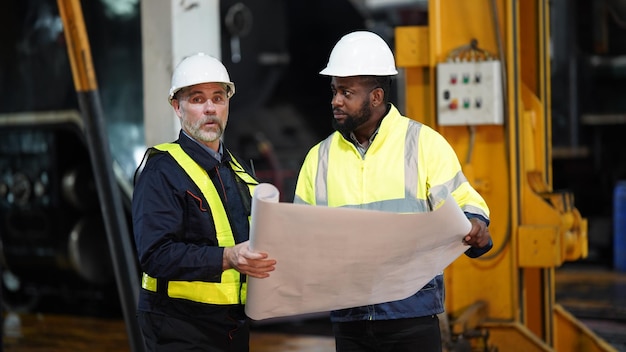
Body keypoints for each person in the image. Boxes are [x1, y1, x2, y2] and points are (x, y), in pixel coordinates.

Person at [293, 31, 493, 352]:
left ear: (375, 97)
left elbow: (466, 203)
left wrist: (475, 226)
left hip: (411, 316)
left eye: (346, 92)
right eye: (334, 91)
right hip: (350, 319)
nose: (335, 101)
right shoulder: (320, 158)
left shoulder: (422, 144)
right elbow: (298, 235)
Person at [132, 52, 277, 351]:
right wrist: (227, 258)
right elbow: (156, 255)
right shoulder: (162, 170)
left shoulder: (236, 171)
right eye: (197, 100)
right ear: (177, 106)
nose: (210, 109)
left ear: (227, 104)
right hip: (178, 327)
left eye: (218, 98)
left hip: (231, 326)